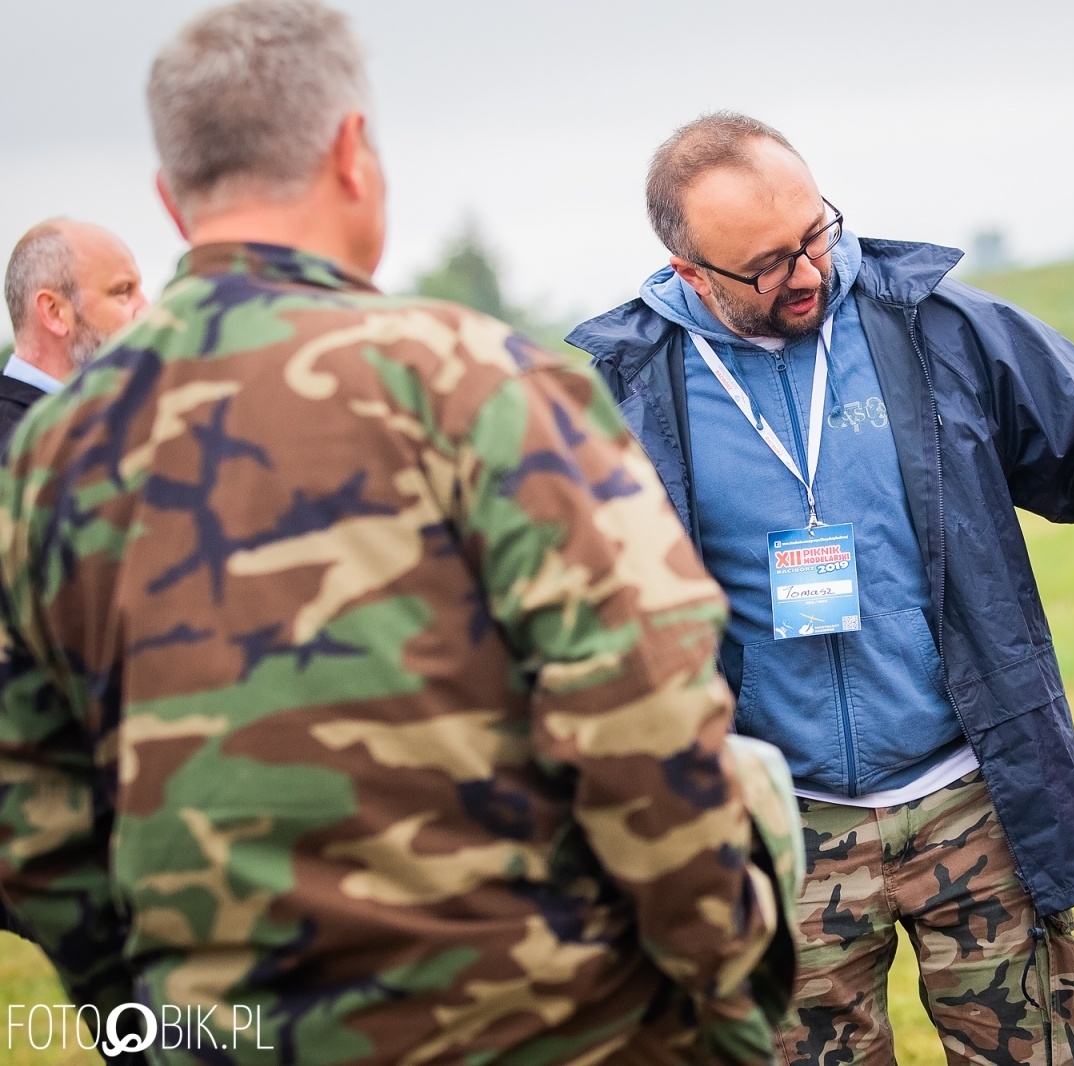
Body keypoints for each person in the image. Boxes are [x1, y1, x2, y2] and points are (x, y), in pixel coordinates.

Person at [0, 7, 797, 1064]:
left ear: (169, 199)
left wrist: (150, 1019)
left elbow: (35, 811)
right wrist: (724, 997)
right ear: (351, 153)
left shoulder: (53, 453)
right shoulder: (484, 382)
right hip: (549, 1026)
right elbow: (643, 714)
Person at [569, 112, 1074, 1066]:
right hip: (776, 838)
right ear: (689, 271)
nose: (811, 272)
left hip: (973, 799)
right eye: (767, 265)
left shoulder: (937, 327)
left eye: (815, 233)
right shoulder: (616, 402)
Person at [0, 219, 147, 440]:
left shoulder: (108, 419)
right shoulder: (18, 446)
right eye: (123, 291)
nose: (146, 310)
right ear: (54, 312)